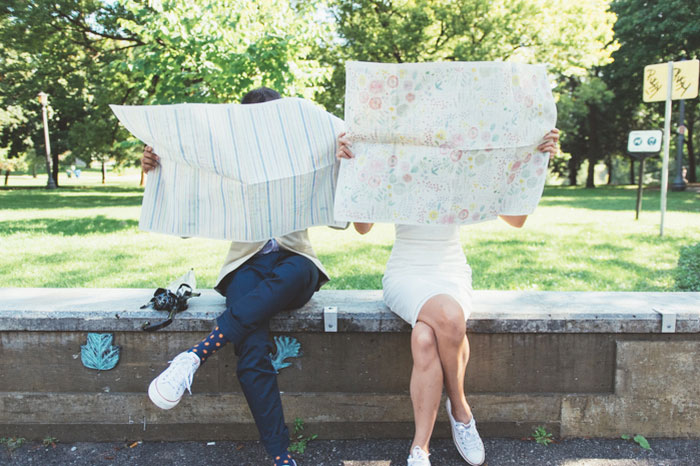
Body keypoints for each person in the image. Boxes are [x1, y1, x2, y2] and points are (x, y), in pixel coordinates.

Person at [336, 129, 559, 466]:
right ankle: (461, 409)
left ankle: (420, 447)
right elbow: (363, 227)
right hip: (406, 272)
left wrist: (535, 157)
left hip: (451, 270)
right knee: (451, 318)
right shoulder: (393, 158)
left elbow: (517, 219)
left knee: (425, 337)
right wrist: (353, 166)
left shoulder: (465, 160)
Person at [143, 87, 329, 466]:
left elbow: (346, 197)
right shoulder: (225, 161)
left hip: (297, 263)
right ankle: (280, 456)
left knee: (294, 271)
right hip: (244, 266)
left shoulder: (307, 153)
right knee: (251, 346)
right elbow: (185, 212)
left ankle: (198, 353)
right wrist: (159, 168)